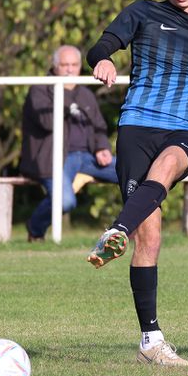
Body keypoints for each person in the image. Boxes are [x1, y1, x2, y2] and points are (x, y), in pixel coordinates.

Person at [84, 0, 188, 367]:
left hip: (184, 129)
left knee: (168, 167)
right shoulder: (142, 12)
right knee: (149, 238)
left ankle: (116, 229)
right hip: (135, 127)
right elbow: (100, 47)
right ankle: (151, 341)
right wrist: (105, 61)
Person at [20, 44, 118, 241]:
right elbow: (47, 123)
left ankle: (129, 231)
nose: (70, 69)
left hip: (88, 158)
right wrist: (65, 99)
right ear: (55, 66)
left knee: (135, 174)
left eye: (74, 64)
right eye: (65, 65)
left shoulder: (86, 94)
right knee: (65, 202)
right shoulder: (40, 90)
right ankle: (35, 228)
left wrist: (102, 147)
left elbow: (99, 126)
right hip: (55, 159)